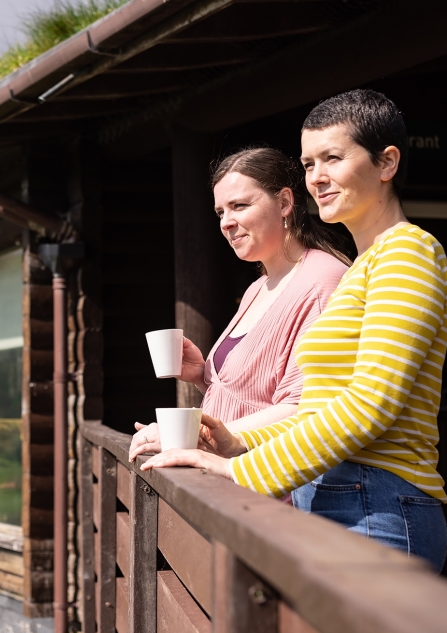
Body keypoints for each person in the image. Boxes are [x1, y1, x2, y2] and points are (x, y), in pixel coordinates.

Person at [141, 89, 447, 571]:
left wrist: (238, 468)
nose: (317, 178)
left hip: (377, 503)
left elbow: (372, 404)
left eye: (332, 158)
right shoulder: (365, 267)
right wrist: (232, 439)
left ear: (386, 162)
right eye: (308, 164)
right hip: (339, 498)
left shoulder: (408, 252)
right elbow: (321, 408)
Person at [129, 147, 349, 462]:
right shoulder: (257, 288)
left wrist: (189, 437)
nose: (226, 223)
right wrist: (203, 377)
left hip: (268, 492)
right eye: (221, 212)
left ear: (285, 202)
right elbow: (253, 400)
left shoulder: (321, 281)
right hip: (228, 482)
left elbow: (304, 408)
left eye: (239, 206)